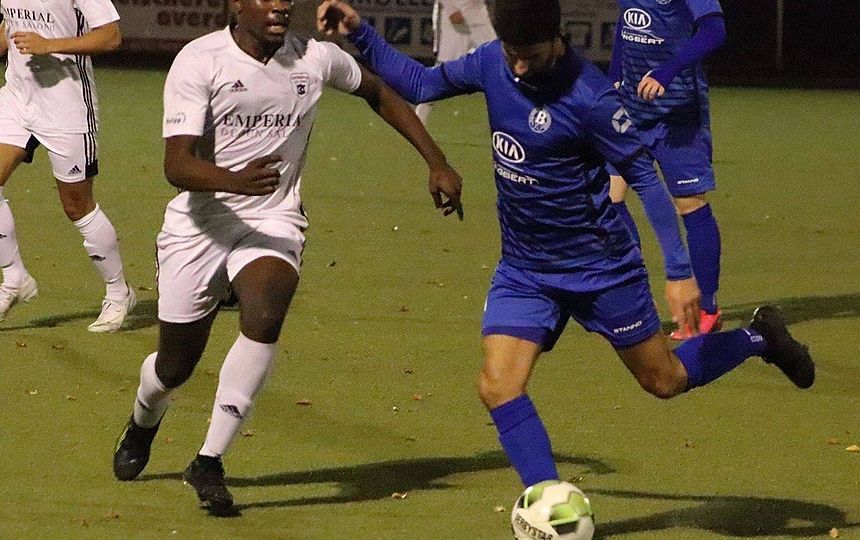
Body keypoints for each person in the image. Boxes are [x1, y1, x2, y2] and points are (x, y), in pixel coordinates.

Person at [318, 0, 814, 493]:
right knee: (498, 385)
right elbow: (421, 83)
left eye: (530, 56)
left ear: (557, 39)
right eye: (512, 53)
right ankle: (550, 500)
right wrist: (360, 32)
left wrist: (679, 271)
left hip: (601, 269)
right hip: (526, 269)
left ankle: (759, 338)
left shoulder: (591, 98)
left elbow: (644, 178)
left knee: (664, 380)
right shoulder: (493, 62)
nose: (518, 67)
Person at [111, 0, 462, 515]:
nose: (280, 4)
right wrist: (233, 181)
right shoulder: (200, 61)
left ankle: (209, 459)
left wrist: (437, 161)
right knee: (174, 366)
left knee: (266, 310)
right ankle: (145, 416)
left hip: (274, 218)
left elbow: (379, 92)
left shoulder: (315, 58)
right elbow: (176, 165)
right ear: (237, 5)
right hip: (199, 224)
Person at [0, 0, 136, 331]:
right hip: (17, 98)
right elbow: (9, 29)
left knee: (77, 206)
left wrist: (49, 45)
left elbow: (110, 36)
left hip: (67, 106)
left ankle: (119, 292)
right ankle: (14, 276)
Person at [607, 0, 727, 339]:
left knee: (690, 204)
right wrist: (613, 77)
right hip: (631, 108)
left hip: (678, 112)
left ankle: (707, 310)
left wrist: (668, 70)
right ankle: (636, 296)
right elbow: (627, 25)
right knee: (608, 199)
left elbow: (714, 30)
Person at [414, 0, 496, 125]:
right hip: (455, 15)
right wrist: (451, 8)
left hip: (478, 13)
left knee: (499, 62)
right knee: (442, 73)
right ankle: (418, 121)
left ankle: (513, 121)